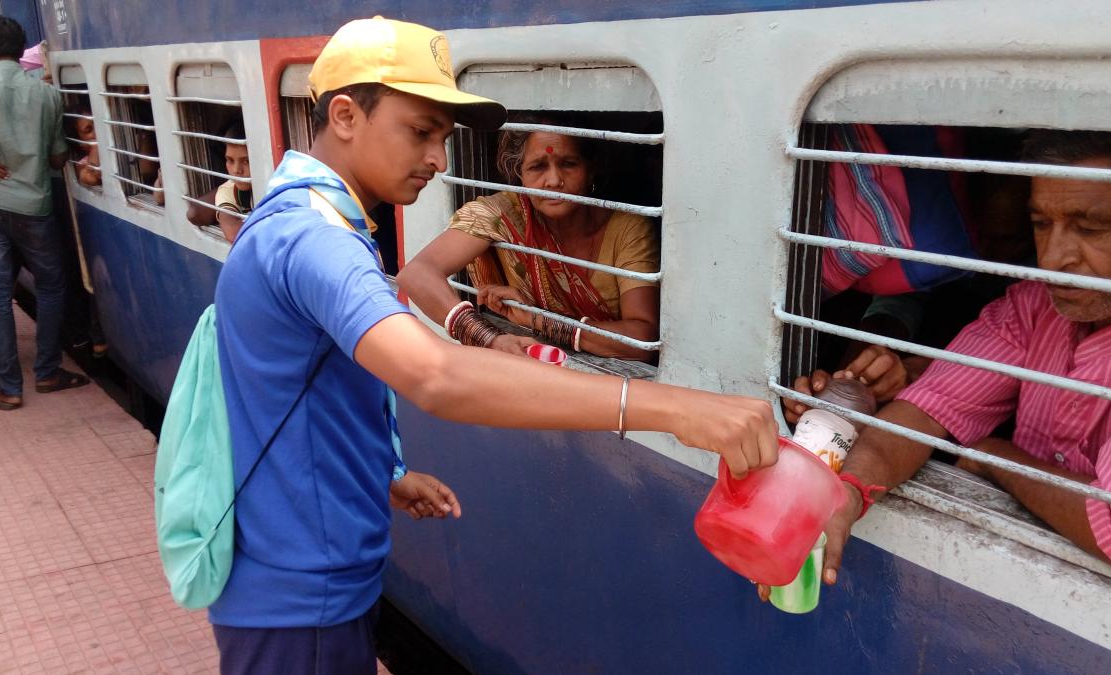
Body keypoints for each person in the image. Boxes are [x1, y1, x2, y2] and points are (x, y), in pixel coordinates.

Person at [210, 17, 777, 674]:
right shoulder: (311, 238)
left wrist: (382, 474)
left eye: (443, 139)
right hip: (299, 593)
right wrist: (682, 410)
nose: (438, 160)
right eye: (420, 132)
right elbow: (436, 376)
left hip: (310, 569)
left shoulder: (310, 218)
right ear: (344, 115)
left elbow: (303, 387)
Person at [775, 130, 1111, 598]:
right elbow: (922, 412)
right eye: (1040, 224)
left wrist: (996, 455)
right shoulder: (1034, 307)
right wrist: (847, 490)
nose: (1053, 258)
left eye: (1090, 228)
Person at [397, 114, 660, 362]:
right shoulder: (504, 214)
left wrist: (539, 320)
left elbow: (642, 340)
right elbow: (417, 274)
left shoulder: (627, 228)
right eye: (537, 167)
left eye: (569, 164)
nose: (554, 180)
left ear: (591, 170)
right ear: (519, 174)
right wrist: (488, 338)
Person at [0, 14, 89, 411]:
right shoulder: (47, 94)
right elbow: (59, 156)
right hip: (37, 206)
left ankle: (9, 388)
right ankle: (47, 372)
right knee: (51, 287)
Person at [213, 121, 251, 243]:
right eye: (230, 160)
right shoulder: (229, 189)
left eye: (246, 161)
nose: (236, 170)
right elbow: (234, 234)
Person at [68, 107, 102, 187]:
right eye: (89, 130)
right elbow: (92, 179)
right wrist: (95, 148)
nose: (97, 131)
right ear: (79, 142)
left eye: (98, 124)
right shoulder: (83, 165)